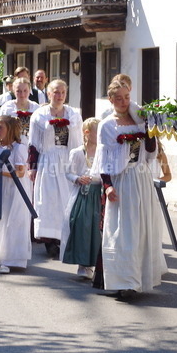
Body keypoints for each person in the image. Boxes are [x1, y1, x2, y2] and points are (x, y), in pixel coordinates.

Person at [90, 80, 165, 300]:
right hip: (122, 180)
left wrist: (150, 130)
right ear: (111, 99)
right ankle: (124, 281)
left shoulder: (138, 120)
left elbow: (151, 152)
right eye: (119, 98)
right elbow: (103, 161)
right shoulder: (107, 125)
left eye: (126, 97)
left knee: (142, 228)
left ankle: (140, 278)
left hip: (141, 178)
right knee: (123, 232)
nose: (123, 102)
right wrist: (108, 186)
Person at [29, 79, 83, 258]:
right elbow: (33, 144)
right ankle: (50, 241)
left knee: (67, 200)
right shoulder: (40, 115)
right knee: (49, 200)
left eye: (62, 92)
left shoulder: (74, 114)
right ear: (49, 94)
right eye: (56, 92)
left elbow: (80, 141)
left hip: (68, 161)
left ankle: (64, 238)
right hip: (48, 162)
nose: (59, 96)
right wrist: (32, 167)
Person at [0, 115, 32, 274]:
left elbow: (20, 173)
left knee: (13, 221)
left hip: (14, 190)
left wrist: (0, 173)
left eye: (0, 127)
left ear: (9, 130)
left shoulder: (19, 148)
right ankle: (0, 256)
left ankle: (11, 259)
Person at [61, 118, 102, 280]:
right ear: (87, 133)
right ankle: (83, 264)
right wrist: (78, 178)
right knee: (82, 227)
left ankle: (96, 263)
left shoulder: (102, 151)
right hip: (83, 195)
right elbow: (68, 172)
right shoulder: (77, 152)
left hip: (98, 193)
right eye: (97, 132)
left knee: (96, 228)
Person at [0, 77, 39, 144]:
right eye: (18, 91)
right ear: (14, 91)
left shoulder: (36, 108)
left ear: (29, 91)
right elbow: (0, 129)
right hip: (11, 145)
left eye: (25, 91)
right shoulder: (7, 108)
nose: (22, 94)